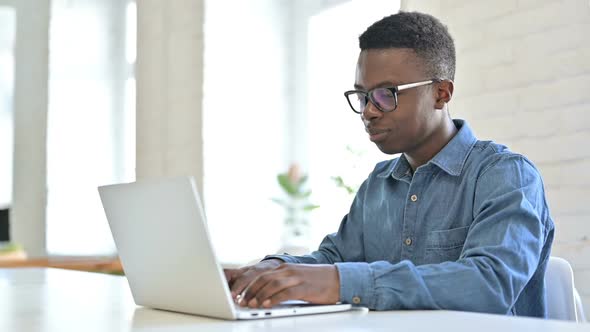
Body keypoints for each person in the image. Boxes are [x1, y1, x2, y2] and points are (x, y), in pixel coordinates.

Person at [224, 11, 554, 317]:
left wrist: (339, 282)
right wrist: (272, 269)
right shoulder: (379, 183)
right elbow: (334, 259)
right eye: (362, 96)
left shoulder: (505, 175)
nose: (369, 110)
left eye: (386, 94)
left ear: (441, 93)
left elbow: (488, 285)